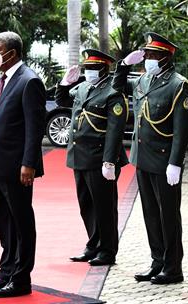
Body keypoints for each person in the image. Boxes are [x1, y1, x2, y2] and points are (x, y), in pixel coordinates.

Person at [112, 32, 188, 284]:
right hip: (143, 158)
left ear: (166, 57)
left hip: (163, 160)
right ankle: (157, 261)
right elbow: (117, 86)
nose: (147, 58)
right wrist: (123, 65)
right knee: (150, 213)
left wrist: (175, 163)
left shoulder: (178, 84)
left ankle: (173, 268)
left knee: (168, 215)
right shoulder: (144, 80)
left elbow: (182, 129)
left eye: (152, 55)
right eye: (146, 54)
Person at [0, 31, 46, 298]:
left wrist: (29, 163)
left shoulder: (29, 81)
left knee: (20, 221)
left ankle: (21, 278)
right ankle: (5, 272)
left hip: (16, 167)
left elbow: (34, 127)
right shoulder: (0, 79)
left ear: (12, 53)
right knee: (3, 221)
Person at [56, 49, 129, 266]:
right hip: (79, 155)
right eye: (87, 68)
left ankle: (107, 250)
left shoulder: (112, 93)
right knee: (86, 204)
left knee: (104, 207)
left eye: (93, 68)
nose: (89, 71)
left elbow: (115, 131)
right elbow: (63, 101)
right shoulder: (83, 88)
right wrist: (63, 83)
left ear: (104, 70)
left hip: (99, 159)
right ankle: (93, 244)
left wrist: (109, 161)